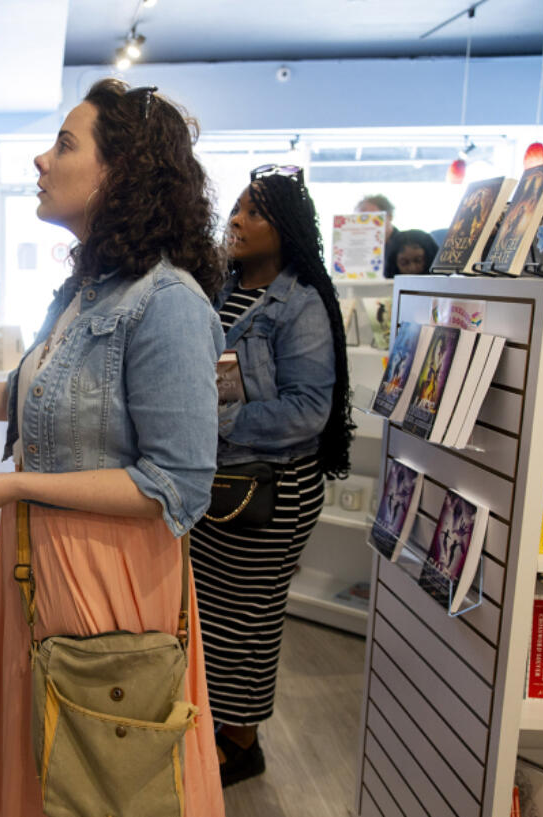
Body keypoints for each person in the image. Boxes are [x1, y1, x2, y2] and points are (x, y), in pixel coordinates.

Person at [0, 79, 226, 816]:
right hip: (44, 563)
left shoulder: (168, 304)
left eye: (65, 144)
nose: (41, 160)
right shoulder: (84, 293)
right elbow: (27, 395)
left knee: (103, 773)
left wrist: (18, 486)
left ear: (121, 171)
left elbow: (176, 486)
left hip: (111, 579)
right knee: (47, 764)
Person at [190, 166, 354, 786]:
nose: (236, 220)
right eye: (235, 208)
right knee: (215, 617)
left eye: (253, 212)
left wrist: (220, 421)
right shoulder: (220, 290)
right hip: (223, 484)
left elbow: (309, 410)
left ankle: (245, 742)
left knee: (250, 621)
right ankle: (219, 727)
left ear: (283, 229)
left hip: (273, 491)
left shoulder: (301, 304)